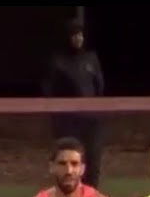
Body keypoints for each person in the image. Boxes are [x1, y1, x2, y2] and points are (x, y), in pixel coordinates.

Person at [42, 20, 105, 187]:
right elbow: (49, 90)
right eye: (74, 35)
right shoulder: (58, 62)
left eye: (80, 35)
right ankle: (68, 194)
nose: (78, 39)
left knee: (92, 160)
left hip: (91, 121)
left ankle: (91, 196)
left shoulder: (91, 59)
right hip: (67, 122)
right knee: (69, 159)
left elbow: (99, 87)